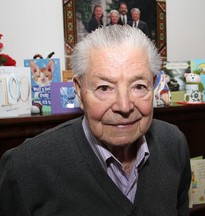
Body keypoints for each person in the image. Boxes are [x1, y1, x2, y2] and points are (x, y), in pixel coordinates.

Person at [0, 25, 191, 215]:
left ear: (153, 84)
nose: (124, 106)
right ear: (79, 91)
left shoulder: (173, 144)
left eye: (139, 86)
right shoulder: (26, 166)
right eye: (104, 88)